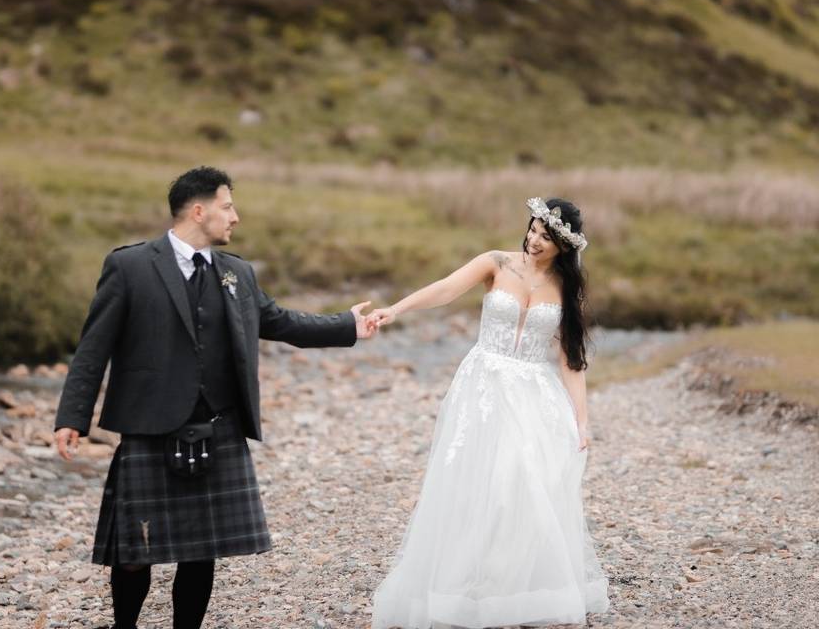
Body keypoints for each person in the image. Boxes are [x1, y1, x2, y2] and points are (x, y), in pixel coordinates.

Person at [53, 166, 376, 629]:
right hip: (150, 424)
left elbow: (280, 322)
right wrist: (72, 417)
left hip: (218, 426)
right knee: (133, 554)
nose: (235, 217)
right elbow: (93, 347)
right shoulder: (130, 266)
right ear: (198, 210)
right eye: (228, 206)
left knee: (202, 550)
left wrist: (347, 325)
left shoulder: (236, 273)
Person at [369, 197, 609, 628]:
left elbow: (571, 361)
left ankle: (508, 586)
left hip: (535, 395)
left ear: (563, 247)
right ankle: (461, 580)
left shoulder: (566, 290)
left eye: (546, 237)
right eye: (533, 230)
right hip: (483, 386)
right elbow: (445, 288)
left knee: (520, 483)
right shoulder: (496, 263)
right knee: (472, 480)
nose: (535, 240)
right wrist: (396, 310)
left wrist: (582, 419)